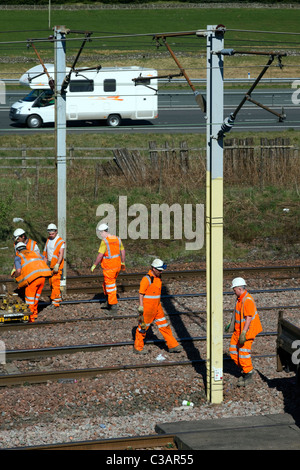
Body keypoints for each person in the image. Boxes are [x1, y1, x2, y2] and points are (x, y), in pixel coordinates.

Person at [133, 259, 182, 355]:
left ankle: (173, 345)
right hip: (147, 308)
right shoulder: (146, 279)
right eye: (159, 270)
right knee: (143, 328)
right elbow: (141, 293)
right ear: (153, 268)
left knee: (164, 325)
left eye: (161, 270)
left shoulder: (158, 278)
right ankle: (138, 348)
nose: (161, 272)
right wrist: (141, 306)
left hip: (157, 307)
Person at [227, 277, 263, 387]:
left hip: (246, 331)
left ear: (239, 288)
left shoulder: (247, 300)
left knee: (243, 354)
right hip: (238, 330)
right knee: (233, 351)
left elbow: (248, 318)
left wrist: (244, 333)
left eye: (234, 290)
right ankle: (244, 369)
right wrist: (230, 324)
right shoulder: (240, 299)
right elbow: (238, 314)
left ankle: (248, 373)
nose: (233, 292)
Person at [12, 242, 51, 322]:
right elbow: (45, 259)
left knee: (30, 299)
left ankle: (30, 318)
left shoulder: (18, 257)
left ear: (17, 250)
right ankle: (35, 314)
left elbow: (18, 271)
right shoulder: (34, 252)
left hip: (33, 280)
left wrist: (15, 276)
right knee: (36, 298)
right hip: (42, 277)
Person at [91, 223, 125, 313]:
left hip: (109, 268)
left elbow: (100, 255)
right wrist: (123, 262)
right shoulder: (117, 239)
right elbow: (123, 251)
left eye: (100, 233)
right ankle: (108, 301)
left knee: (110, 287)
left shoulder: (104, 241)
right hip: (117, 266)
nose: (100, 235)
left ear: (103, 232)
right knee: (106, 284)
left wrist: (94, 264)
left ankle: (113, 307)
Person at [42, 223, 65, 308]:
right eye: (49, 233)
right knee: (52, 283)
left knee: (55, 283)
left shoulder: (60, 241)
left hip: (56, 265)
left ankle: (55, 303)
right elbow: (45, 253)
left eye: (52, 233)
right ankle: (57, 298)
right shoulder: (48, 240)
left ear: (56, 231)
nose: (51, 235)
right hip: (50, 264)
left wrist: (57, 264)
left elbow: (61, 254)